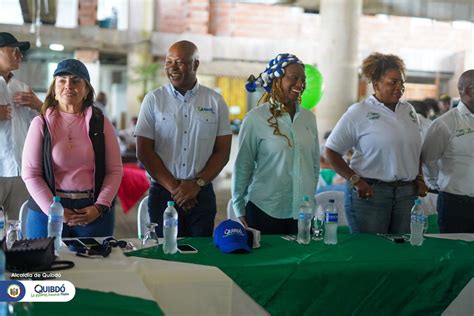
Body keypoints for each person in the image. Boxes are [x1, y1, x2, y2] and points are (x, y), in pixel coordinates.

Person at [135, 40, 231, 237]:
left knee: (200, 259)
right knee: (164, 258)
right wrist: (177, 189)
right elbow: (144, 150)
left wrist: (197, 185)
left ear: (195, 64)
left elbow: (222, 152)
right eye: (169, 62)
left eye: (179, 62)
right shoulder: (154, 100)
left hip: (201, 194)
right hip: (163, 193)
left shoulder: (215, 101)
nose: (172, 68)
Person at [325, 52, 428, 234]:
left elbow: (414, 149)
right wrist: (355, 180)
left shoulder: (409, 111)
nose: (399, 88)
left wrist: (419, 177)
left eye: (401, 83)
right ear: (376, 84)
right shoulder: (358, 112)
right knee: (369, 253)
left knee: (401, 250)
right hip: (371, 194)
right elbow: (332, 151)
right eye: (392, 82)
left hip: (406, 194)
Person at [22, 59, 123, 238]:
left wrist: (99, 207)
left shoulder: (100, 123)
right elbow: (30, 174)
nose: (68, 85)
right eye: (62, 80)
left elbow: (114, 170)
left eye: (76, 80)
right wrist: (53, 209)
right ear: (54, 89)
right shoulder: (41, 123)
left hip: (92, 212)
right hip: (46, 212)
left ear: (86, 90)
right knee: (42, 265)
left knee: (96, 265)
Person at [232, 53, 320, 234]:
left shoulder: (308, 118)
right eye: (294, 78)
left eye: (303, 79)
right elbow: (243, 165)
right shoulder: (255, 118)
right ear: (276, 79)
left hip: (302, 212)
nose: (300, 84)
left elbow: (313, 164)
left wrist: (309, 197)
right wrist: (239, 204)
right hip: (266, 209)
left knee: (302, 261)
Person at [422, 69, 474, 233]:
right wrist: (442, 185)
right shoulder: (445, 123)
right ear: (467, 91)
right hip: (456, 204)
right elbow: (428, 160)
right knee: (454, 253)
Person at [0, 32, 42, 220]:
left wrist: (39, 105)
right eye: (14, 50)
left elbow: (46, 122)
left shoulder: (23, 88)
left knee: (18, 228)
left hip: (20, 171)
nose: (20, 55)